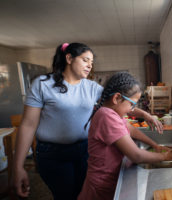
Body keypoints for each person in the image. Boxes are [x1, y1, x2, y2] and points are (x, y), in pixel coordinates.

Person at [13, 43, 163, 200]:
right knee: (66, 196)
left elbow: (117, 102)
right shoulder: (43, 84)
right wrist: (18, 167)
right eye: (85, 60)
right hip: (53, 154)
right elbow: (28, 125)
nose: (89, 65)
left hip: (84, 151)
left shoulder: (91, 87)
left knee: (84, 193)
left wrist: (145, 114)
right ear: (69, 58)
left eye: (91, 62)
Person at [78, 72, 172, 200]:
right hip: (101, 185)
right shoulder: (106, 116)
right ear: (117, 98)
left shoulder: (113, 113)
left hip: (110, 180)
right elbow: (136, 155)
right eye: (131, 104)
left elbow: (131, 130)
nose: (131, 109)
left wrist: (154, 145)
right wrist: (163, 156)